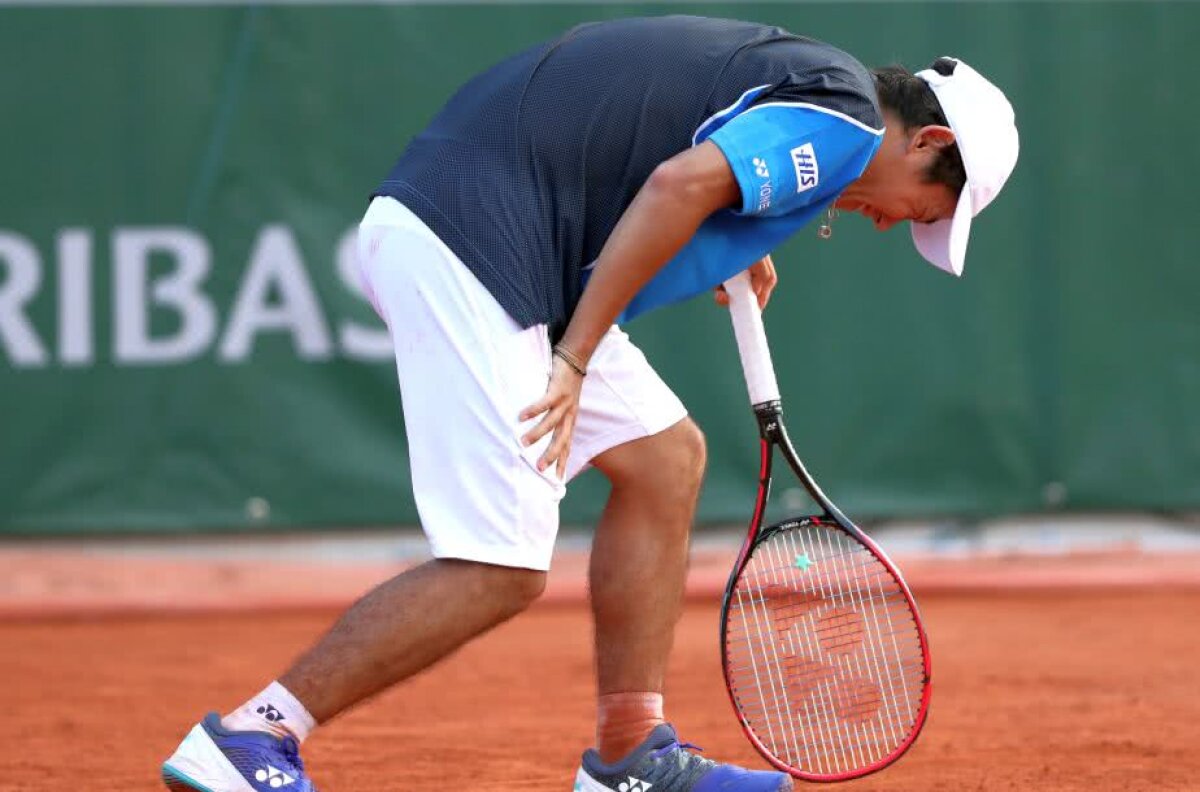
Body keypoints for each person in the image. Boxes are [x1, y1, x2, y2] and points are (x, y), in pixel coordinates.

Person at [162, 15, 1017, 792]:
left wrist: (734, 230)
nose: (897, 224)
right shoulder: (847, 121)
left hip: (493, 230)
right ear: (928, 139)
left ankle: (630, 754)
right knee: (498, 567)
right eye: (929, 209)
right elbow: (677, 184)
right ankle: (254, 735)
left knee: (664, 460)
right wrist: (572, 357)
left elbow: (666, 135)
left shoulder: (817, 81)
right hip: (477, 242)